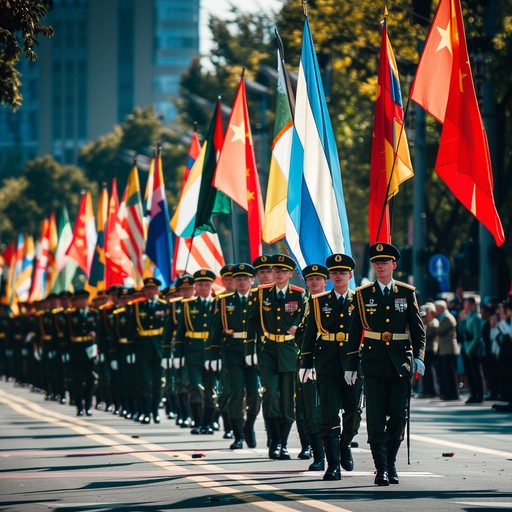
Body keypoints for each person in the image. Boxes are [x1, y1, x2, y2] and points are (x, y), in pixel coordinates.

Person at [346, 243, 426, 486]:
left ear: (394, 265)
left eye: (385, 262)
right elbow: (354, 332)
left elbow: (418, 330)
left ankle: (391, 461)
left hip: (400, 363)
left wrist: (419, 356)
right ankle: (381, 468)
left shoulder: (406, 292)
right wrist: (351, 365)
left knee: (399, 417)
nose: (380, 266)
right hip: (373, 362)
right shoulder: (363, 294)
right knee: (376, 418)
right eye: (376, 263)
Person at [301, 254, 363, 480]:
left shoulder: (360, 299)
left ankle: (345, 443)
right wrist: (306, 362)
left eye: (342, 273)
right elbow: (309, 334)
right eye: (334, 273)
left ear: (350, 275)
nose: (338, 276)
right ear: (330, 275)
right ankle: (333, 465)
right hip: (326, 363)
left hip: (353, 361)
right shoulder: (318, 301)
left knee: (353, 411)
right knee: (328, 415)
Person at [249, 253, 305, 460]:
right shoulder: (262, 293)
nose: (279, 274)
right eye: (275, 271)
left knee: (288, 402)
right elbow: (252, 322)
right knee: (271, 395)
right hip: (268, 352)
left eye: (283, 271)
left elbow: (304, 318)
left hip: (289, 353)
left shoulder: (298, 295)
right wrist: (250, 351)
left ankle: (282, 442)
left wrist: (297, 325)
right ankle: (275, 443)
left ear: (290, 274)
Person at [208, 263, 262, 449]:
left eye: (245, 278)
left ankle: (249, 426)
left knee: (255, 395)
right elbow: (216, 329)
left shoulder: (258, 299)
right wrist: (213, 354)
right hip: (232, 352)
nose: (241, 282)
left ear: (251, 280)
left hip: (253, 352)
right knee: (235, 394)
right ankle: (238, 435)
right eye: (238, 278)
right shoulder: (224, 300)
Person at [174, 269, 217, 434]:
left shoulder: (218, 303)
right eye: (200, 284)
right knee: (195, 387)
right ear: (195, 286)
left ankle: (208, 423)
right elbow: (180, 331)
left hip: (211, 352)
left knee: (210, 388)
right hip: (193, 352)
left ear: (211, 286)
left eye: (207, 284)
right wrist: (177, 354)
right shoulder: (187, 305)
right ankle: (198, 423)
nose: (204, 287)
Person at [297, 264, 329, 472]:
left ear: (325, 282)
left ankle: (340, 449)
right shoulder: (303, 303)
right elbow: (300, 333)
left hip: (330, 361)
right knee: (310, 410)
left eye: (318, 279)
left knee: (334, 410)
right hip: (308, 363)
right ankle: (319, 456)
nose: (314, 282)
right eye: (310, 279)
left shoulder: (332, 302)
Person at [131, 277, 170, 424]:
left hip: (159, 349)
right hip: (142, 349)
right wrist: (130, 351)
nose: (151, 291)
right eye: (148, 289)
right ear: (144, 290)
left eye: (153, 289)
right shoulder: (136, 306)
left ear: (158, 290)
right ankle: (145, 413)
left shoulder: (165, 306)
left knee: (157, 382)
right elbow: (131, 330)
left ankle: (155, 412)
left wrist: (167, 351)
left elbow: (168, 330)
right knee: (144, 382)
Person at [64, 290, 100, 416]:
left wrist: (95, 337)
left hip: (90, 350)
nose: (82, 302)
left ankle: (88, 403)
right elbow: (66, 335)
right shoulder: (70, 315)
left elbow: (100, 331)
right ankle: (79, 406)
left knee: (91, 378)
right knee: (77, 380)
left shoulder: (94, 313)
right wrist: (65, 352)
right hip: (76, 350)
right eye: (80, 300)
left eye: (84, 299)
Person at [459, 296, 485, 404]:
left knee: (476, 372)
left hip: (473, 349)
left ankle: (479, 394)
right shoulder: (467, 317)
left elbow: (477, 336)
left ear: (472, 305)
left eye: (467, 304)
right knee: (469, 373)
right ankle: (473, 393)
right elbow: (461, 333)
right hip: (466, 347)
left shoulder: (476, 317)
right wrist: (461, 320)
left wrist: (470, 349)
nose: (465, 306)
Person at [434, 299, 460, 401]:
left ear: (441, 308)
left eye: (437, 308)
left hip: (449, 349)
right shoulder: (443, 318)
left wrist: (434, 320)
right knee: (445, 373)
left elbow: (439, 330)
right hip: (444, 350)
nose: (435, 311)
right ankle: (447, 392)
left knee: (450, 373)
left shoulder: (447, 318)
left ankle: (453, 393)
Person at [419, 302, 439, 398]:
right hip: (427, 349)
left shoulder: (434, 323)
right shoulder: (427, 323)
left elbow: (424, 335)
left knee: (430, 372)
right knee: (426, 373)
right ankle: (427, 390)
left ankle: (431, 391)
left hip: (430, 349)